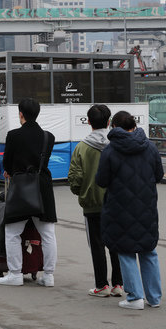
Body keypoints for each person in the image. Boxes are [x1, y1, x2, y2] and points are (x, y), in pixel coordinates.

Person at [96, 111, 163, 310]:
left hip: (119, 209)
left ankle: (135, 297)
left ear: (114, 126)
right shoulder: (150, 147)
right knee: (148, 251)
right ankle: (154, 297)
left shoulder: (110, 151)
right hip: (147, 207)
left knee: (125, 251)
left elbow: (101, 181)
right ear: (134, 125)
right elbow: (158, 175)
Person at [0, 98, 57, 287]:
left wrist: (12, 169)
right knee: (47, 233)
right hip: (42, 187)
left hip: (22, 186)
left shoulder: (14, 135)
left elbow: (7, 163)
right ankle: (48, 276)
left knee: (12, 231)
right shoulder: (49, 137)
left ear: (21, 113)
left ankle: (15, 274)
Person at [68, 105, 123, 298]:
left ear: (88, 121)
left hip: (92, 204)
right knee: (116, 243)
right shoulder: (117, 145)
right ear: (109, 122)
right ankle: (118, 284)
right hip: (116, 202)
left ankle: (102, 285)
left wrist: (81, 192)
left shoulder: (81, 147)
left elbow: (75, 178)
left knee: (97, 245)